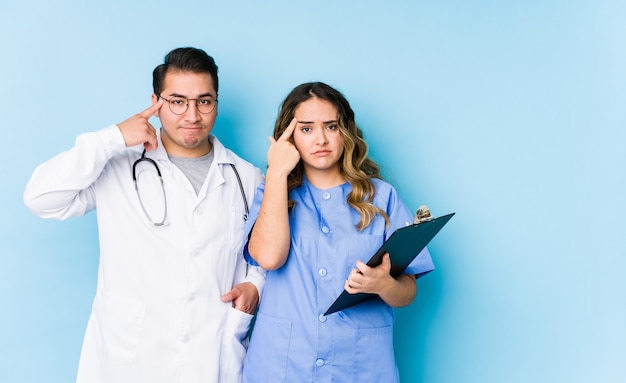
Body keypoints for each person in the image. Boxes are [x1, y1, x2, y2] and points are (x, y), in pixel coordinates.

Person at [24, 47, 265, 383]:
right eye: (178, 101)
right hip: (131, 360)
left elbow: (264, 255)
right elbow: (40, 198)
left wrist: (255, 285)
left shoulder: (246, 177)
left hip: (210, 357)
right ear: (156, 102)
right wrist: (112, 138)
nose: (192, 115)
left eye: (204, 101)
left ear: (216, 103)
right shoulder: (118, 165)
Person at [241, 82, 435, 382]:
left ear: (345, 131)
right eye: (306, 129)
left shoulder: (382, 198)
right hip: (284, 365)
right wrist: (277, 171)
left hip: (360, 367)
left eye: (331, 126)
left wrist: (384, 285)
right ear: (289, 136)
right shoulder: (272, 192)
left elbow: (408, 291)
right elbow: (268, 257)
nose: (321, 139)